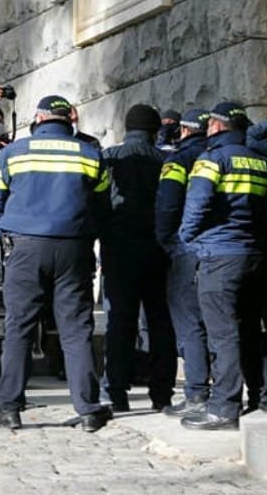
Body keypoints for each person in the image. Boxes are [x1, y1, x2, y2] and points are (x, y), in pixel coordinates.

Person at [0, 94, 112, 432]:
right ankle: (88, 409)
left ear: (38, 118)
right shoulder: (91, 155)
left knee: (19, 327)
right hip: (74, 248)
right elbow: (104, 207)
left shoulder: (12, 153)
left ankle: (9, 406)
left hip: (24, 247)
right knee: (76, 329)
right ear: (70, 120)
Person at [179, 102, 267, 431]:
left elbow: (198, 203)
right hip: (254, 253)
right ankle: (261, 394)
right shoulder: (262, 162)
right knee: (250, 329)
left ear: (217, 127)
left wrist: (186, 237)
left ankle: (223, 407)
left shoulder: (211, 159)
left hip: (219, 255)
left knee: (222, 334)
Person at [100, 104, 175, 413]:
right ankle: (162, 394)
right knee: (159, 321)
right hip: (158, 249)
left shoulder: (109, 157)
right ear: (155, 131)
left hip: (119, 250)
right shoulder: (167, 160)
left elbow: (99, 200)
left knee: (120, 321)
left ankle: (117, 392)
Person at [155, 108, 210, 417]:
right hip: (223, 251)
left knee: (190, 324)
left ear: (184, 131)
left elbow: (167, 204)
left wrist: (167, 241)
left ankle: (197, 393)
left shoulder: (178, 160)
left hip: (186, 250)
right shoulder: (224, 154)